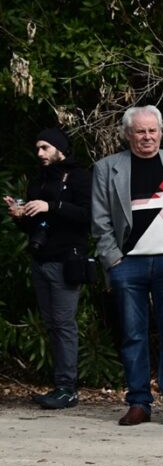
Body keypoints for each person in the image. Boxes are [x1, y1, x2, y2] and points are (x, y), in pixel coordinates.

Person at [91, 105, 163, 427]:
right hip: (127, 265)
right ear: (128, 134)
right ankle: (139, 403)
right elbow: (100, 221)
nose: (147, 137)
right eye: (140, 131)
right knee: (132, 336)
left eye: (152, 130)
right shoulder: (107, 168)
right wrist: (113, 259)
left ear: (161, 131)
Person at [3, 129, 91, 410]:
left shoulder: (79, 176)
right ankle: (60, 385)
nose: (39, 153)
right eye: (37, 148)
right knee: (52, 324)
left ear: (60, 149)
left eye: (45, 147)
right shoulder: (39, 180)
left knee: (64, 324)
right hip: (41, 260)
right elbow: (35, 225)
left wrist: (51, 205)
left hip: (67, 261)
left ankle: (67, 388)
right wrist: (19, 215)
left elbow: (88, 216)